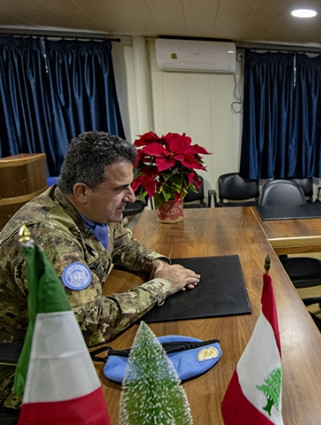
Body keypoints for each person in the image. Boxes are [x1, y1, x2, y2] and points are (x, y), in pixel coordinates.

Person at [0, 131, 201, 409]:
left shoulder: (92, 208)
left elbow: (121, 245)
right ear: (82, 190)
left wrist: (157, 264)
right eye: (120, 188)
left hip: (61, 347)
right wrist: (163, 285)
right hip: (26, 369)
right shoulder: (49, 238)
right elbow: (86, 324)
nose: (131, 197)